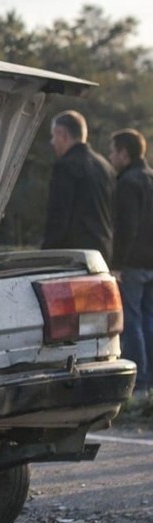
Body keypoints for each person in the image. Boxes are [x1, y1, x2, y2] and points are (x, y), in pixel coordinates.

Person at [108, 128, 153, 402]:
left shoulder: (128, 182)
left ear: (124, 154)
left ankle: (139, 382)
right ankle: (150, 382)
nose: (110, 157)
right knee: (149, 319)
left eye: (113, 151)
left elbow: (126, 228)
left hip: (133, 263)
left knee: (132, 319)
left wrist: (117, 264)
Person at [43, 110, 116, 261]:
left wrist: (46, 253)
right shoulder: (105, 166)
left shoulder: (65, 167)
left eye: (53, 136)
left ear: (62, 134)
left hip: (74, 255)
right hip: (102, 253)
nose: (52, 142)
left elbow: (59, 215)